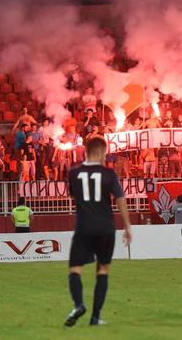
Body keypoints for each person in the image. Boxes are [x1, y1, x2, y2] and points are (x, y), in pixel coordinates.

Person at [65, 137, 132, 327]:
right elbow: (120, 199)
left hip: (84, 227)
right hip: (105, 228)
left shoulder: (73, 173)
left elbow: (72, 195)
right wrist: (127, 226)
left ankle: (78, 305)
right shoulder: (108, 174)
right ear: (100, 152)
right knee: (102, 270)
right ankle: (95, 317)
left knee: (75, 269)